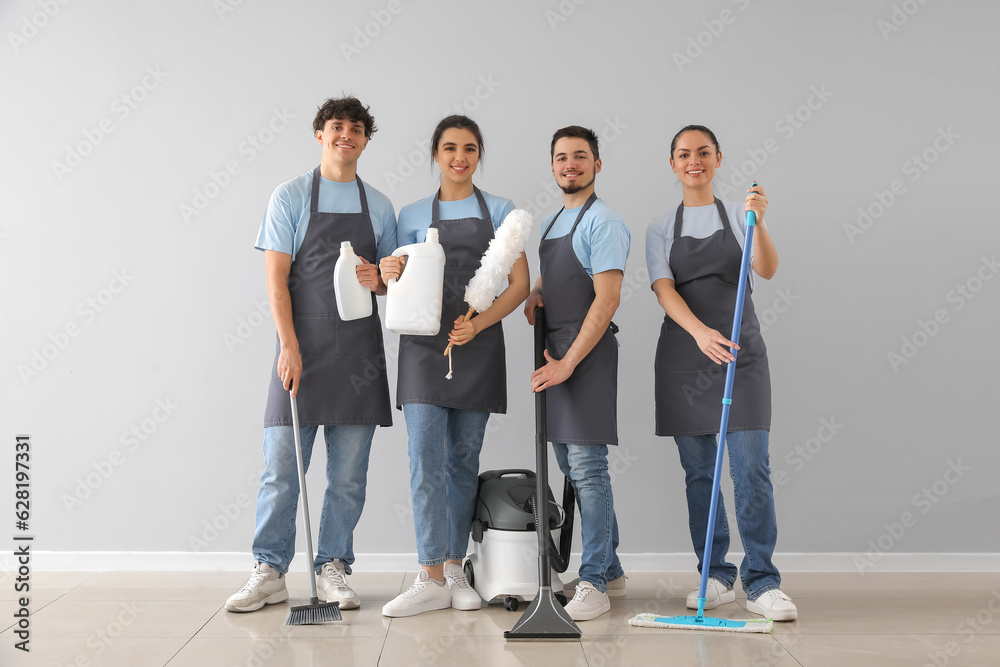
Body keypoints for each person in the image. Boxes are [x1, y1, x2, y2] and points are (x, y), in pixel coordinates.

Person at [226, 96, 396, 613]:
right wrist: (290, 348)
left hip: (359, 359)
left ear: (366, 139)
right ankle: (270, 570)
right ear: (320, 134)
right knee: (282, 470)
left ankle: (332, 568)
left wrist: (382, 277)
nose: (347, 134)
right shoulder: (291, 196)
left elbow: (390, 280)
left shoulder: (381, 206)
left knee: (348, 477)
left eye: (357, 128)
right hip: (299, 355)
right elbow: (276, 281)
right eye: (337, 126)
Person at [379, 115, 529, 617]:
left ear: (479, 154)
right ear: (436, 154)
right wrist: (391, 269)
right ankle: (428, 574)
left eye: (468, 148)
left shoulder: (502, 211)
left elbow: (519, 284)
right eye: (449, 148)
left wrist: (479, 324)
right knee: (426, 462)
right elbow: (391, 279)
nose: (459, 157)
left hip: (477, 348)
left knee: (462, 463)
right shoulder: (410, 213)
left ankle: (456, 566)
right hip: (423, 351)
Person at [645, 124, 796, 621]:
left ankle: (762, 581)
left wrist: (761, 222)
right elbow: (664, 290)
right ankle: (715, 572)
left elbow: (767, 269)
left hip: (741, 355)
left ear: (718, 158)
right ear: (672, 164)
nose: (695, 161)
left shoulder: (740, 215)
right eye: (684, 154)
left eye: (704, 153)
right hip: (686, 358)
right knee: (700, 474)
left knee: (751, 468)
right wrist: (700, 334)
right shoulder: (661, 228)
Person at [523, 125, 630, 621]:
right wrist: (536, 292)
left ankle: (594, 582)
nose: (571, 165)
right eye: (562, 158)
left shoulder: (603, 221)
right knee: (570, 465)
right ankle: (611, 570)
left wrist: (568, 363)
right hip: (555, 353)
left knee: (588, 468)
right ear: (552, 166)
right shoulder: (550, 224)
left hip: (583, 357)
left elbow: (606, 299)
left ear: (597, 165)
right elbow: (558, 274)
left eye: (581, 157)